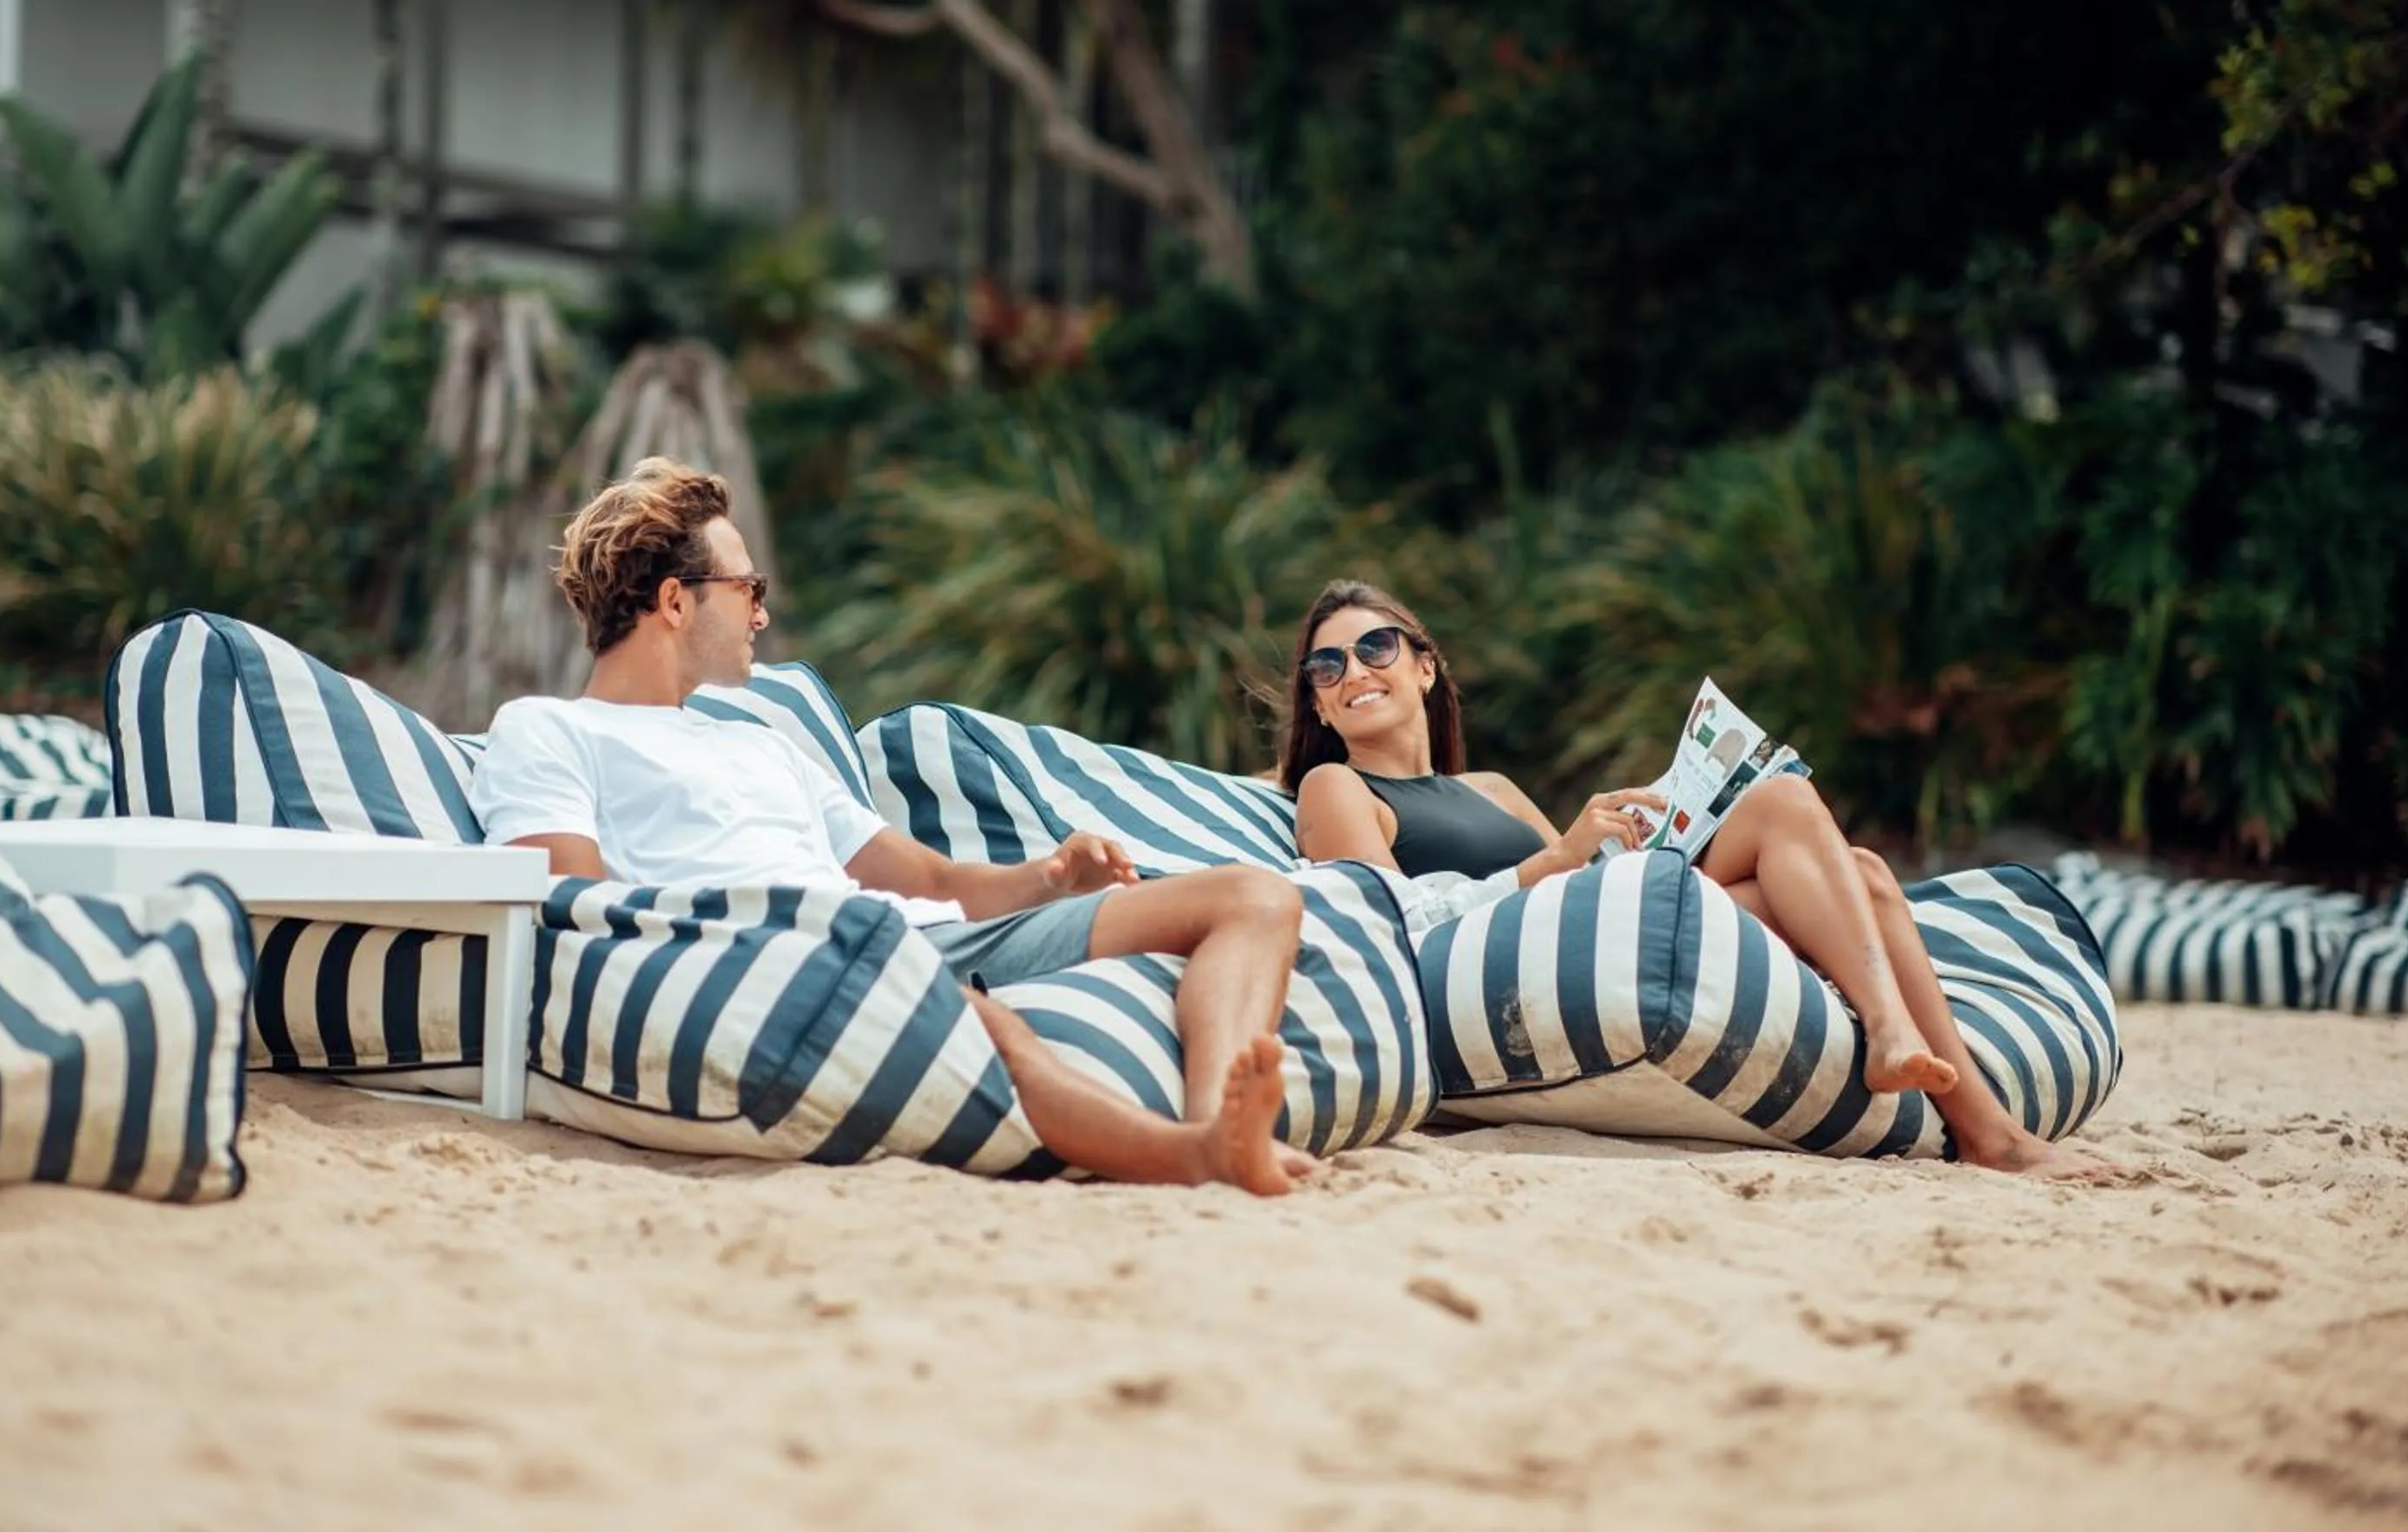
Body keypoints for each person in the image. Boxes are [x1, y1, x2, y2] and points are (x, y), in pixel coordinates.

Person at [469, 458, 1310, 1195]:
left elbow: (933, 880)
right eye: (748, 588)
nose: (761, 614)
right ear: (674, 601)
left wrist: (1051, 876)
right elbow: (575, 897)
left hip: (916, 932)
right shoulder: (549, 729)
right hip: (797, 957)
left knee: (1256, 896)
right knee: (984, 1024)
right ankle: (1192, 1152)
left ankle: (1226, 1118)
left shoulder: (760, 742)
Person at [1280, 579, 2110, 1179]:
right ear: (1317, 706)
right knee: (1837, 857)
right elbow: (1387, 916)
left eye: (1374, 647)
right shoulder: (1337, 787)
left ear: (1424, 668)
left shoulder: (1491, 789)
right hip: (1490, 966)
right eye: (1326, 667)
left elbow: (1585, 880)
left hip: (1601, 921)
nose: (1352, 672)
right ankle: (1968, 1110)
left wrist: (1630, 843)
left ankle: (1952, 1094)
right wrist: (1555, 861)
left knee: (1857, 867)